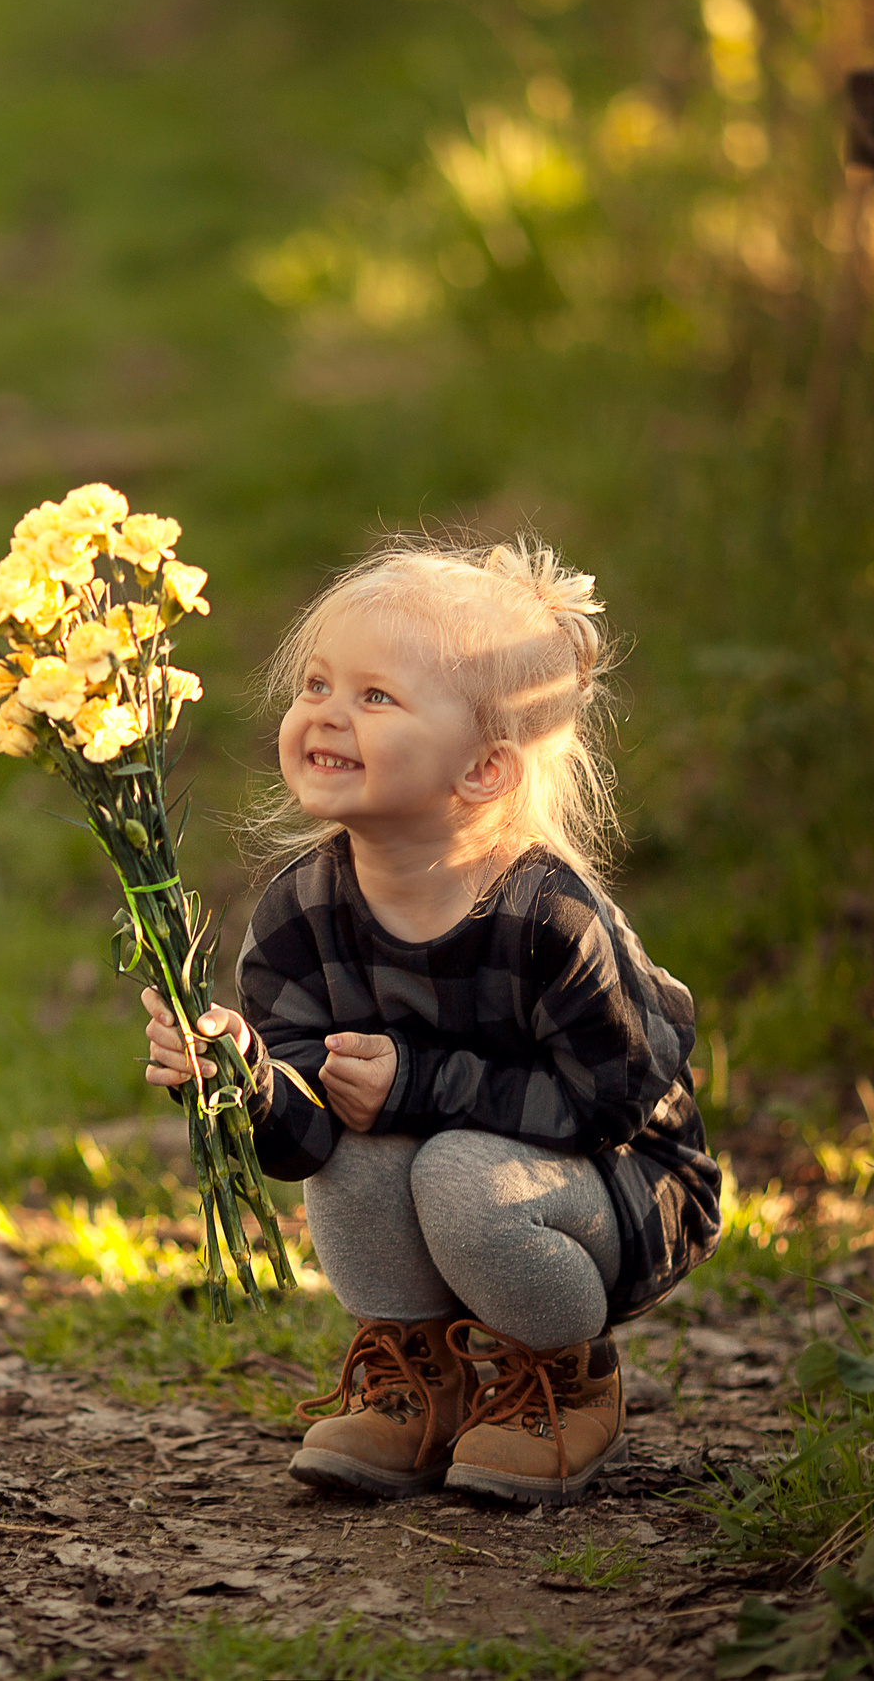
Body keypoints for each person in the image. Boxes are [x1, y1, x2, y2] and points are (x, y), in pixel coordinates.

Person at [139, 535, 720, 1507]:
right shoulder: (301, 912)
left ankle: (562, 1378)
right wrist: (242, 1074)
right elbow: (308, 1135)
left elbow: (615, 1101)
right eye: (317, 685)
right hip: (483, 1176)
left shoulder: (550, 918)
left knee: (454, 1170)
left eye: (375, 697)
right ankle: (422, 1376)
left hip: (623, 1190)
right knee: (359, 1155)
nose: (326, 712)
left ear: (484, 769)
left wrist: (418, 1083)